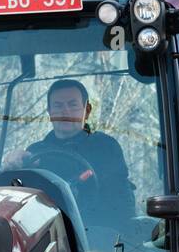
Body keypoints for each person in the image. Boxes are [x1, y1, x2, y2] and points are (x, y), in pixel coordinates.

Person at [9, 79, 137, 228]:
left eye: (73, 105)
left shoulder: (106, 147)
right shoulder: (35, 152)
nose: (65, 112)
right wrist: (11, 165)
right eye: (58, 106)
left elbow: (121, 205)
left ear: (87, 110)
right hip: (48, 234)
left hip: (96, 236)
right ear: (49, 113)